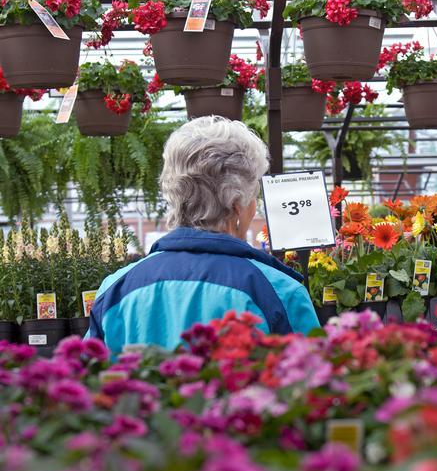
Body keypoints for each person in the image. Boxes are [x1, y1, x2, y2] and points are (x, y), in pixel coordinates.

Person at [88, 116, 320, 353]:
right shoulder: (279, 292)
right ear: (237, 204)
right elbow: (313, 380)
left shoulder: (115, 289)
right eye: (254, 196)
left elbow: (84, 376)